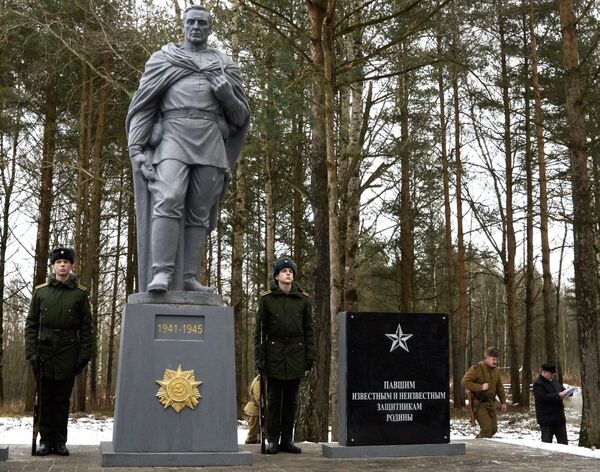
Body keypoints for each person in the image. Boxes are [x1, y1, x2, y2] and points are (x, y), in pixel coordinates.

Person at [126, 4, 250, 293]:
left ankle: (189, 277)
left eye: (202, 23)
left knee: (199, 210)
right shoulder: (163, 60)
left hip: (209, 140)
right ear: (183, 26)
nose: (196, 27)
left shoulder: (225, 66)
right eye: (191, 22)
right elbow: (144, 107)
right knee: (168, 197)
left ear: (210, 28)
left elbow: (240, 118)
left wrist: (227, 95)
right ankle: (162, 273)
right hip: (172, 136)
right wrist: (137, 150)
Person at [24, 247, 92, 456]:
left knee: (62, 401)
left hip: (68, 352)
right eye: (58, 262)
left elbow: (86, 329)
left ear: (71, 265)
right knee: (44, 400)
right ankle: (45, 441)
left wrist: (83, 356)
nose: (62, 265)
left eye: (66, 262)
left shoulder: (80, 294)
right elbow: (31, 324)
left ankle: (60, 441)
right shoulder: (40, 292)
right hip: (44, 353)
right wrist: (31, 352)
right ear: (53, 266)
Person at [254, 257, 316, 454]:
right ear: (276, 276)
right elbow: (259, 332)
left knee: (291, 400)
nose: (288, 273)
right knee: (274, 399)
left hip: (296, 352)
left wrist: (310, 355)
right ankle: (273, 439)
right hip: (274, 352)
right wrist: (260, 356)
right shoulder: (267, 299)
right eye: (284, 271)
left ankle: (287, 439)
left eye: (291, 271)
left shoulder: (303, 299)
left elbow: (309, 330)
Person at [461, 346, 508, 438]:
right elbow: (464, 382)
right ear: (486, 358)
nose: (495, 362)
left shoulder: (496, 370)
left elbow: (499, 387)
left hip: (491, 403)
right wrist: (480, 387)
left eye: (497, 360)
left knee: (493, 430)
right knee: (487, 430)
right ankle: (478, 448)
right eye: (493, 359)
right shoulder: (477, 368)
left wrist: (503, 402)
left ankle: (480, 440)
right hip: (479, 404)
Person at [533, 362, 570, 444]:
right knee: (547, 444)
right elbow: (542, 397)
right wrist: (557, 395)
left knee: (563, 444)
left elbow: (562, 389)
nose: (552, 376)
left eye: (554, 374)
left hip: (559, 418)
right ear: (544, 372)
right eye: (551, 374)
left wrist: (569, 392)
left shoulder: (555, 381)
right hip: (546, 419)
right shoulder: (538, 384)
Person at [243, 375, 261, 444]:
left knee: (257, 431)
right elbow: (258, 397)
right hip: (255, 409)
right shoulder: (259, 380)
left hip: (256, 409)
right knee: (253, 431)